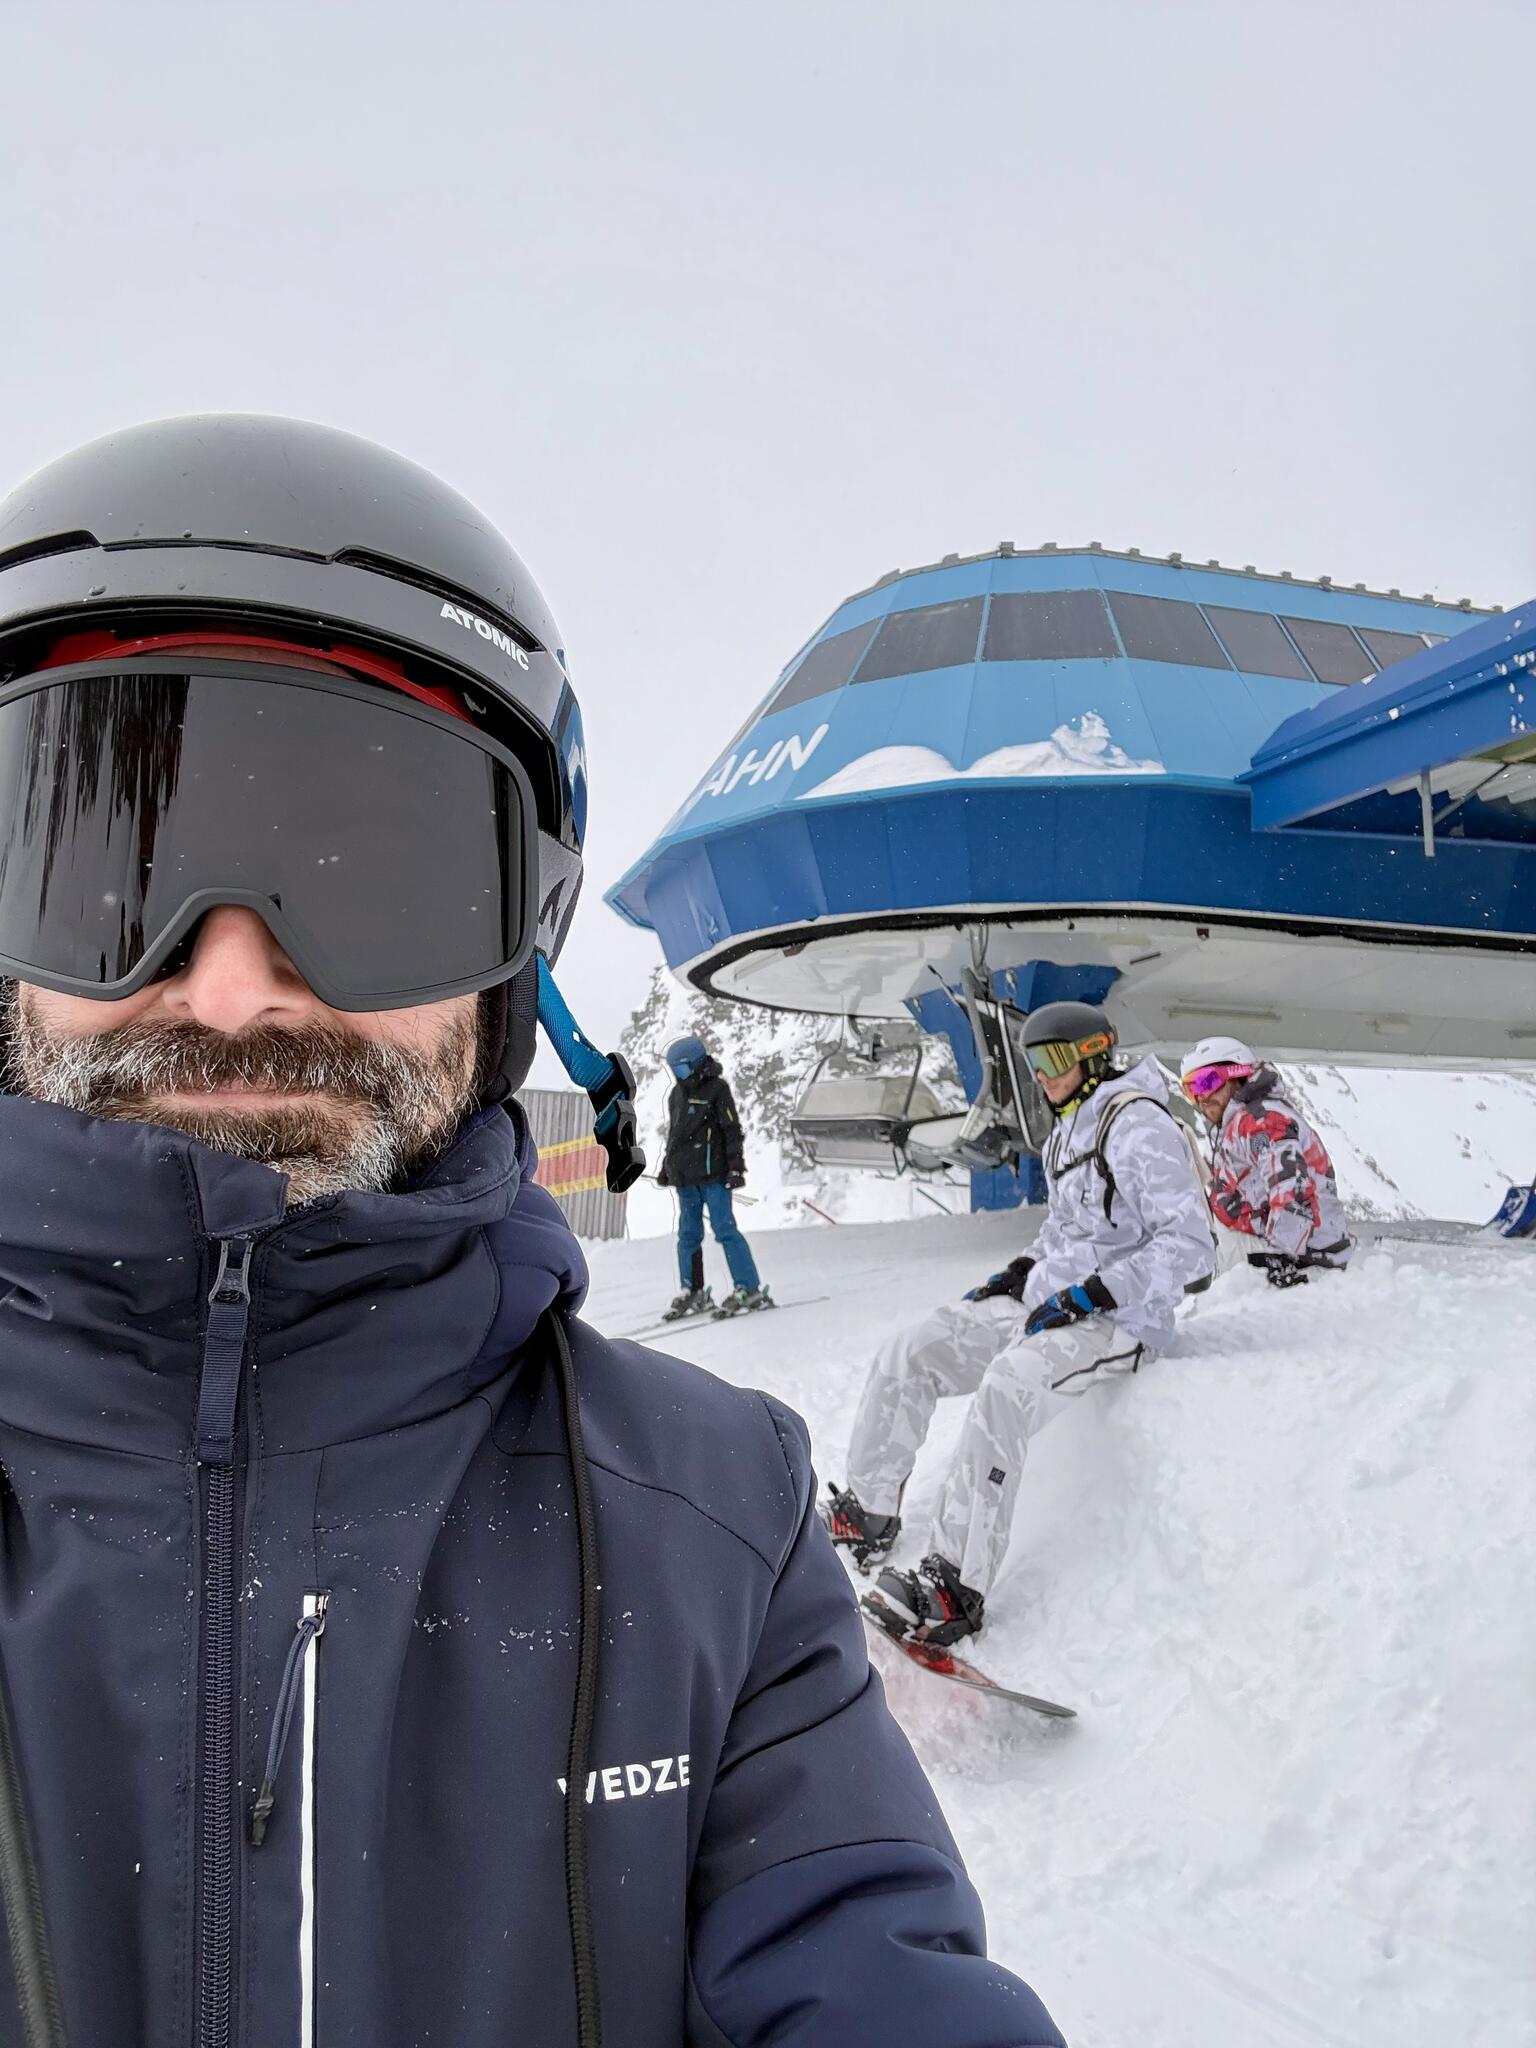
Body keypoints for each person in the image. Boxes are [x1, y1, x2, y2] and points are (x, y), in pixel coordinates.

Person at [0, 416, 1064, 2048]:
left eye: (371, 874)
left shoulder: (703, 1526)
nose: (229, 985)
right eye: (101, 866)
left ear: (512, 950)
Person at [826, 1001, 1214, 1648]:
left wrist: (1096, 1292)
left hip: (1119, 1318)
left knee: (1006, 1386)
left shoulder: (1139, 1126)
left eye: (1055, 1059)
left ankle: (955, 1582)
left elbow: (1192, 1247)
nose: (1043, 1075)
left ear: (1094, 1055)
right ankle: (868, 1511)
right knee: (911, 1349)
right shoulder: (1067, 1129)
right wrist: (1018, 1273)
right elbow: (1064, 1232)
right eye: (1033, 1062)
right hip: (1049, 1299)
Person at [1179, 1036, 1352, 1284]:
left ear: (1236, 1074)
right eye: (1191, 1090)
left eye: (1207, 1081)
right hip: (1267, 1241)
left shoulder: (1262, 1121)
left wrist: (1282, 1256)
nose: (1201, 1097)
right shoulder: (1241, 1121)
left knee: (1189, 1261)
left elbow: (1291, 1187)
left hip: (1297, 1253)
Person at [655, 1034, 770, 1319]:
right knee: (687, 1235)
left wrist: (735, 1167)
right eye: (675, 1070)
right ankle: (692, 1290)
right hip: (686, 1178)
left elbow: (732, 1129)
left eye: (682, 1068)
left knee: (725, 1230)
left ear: (696, 1064)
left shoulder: (717, 1089)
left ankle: (749, 1287)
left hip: (714, 1176)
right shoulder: (676, 1094)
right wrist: (667, 1166)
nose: (679, 1075)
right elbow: (675, 1135)